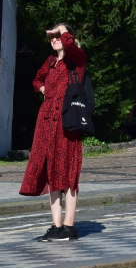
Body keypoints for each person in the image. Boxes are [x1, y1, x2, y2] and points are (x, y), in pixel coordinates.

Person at [21, 24, 88, 243]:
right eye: (52, 38)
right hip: (46, 125)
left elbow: (70, 45)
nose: (55, 40)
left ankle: (69, 226)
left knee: (68, 175)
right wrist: (42, 89)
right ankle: (56, 226)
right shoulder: (50, 62)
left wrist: (61, 29)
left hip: (66, 125)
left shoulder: (76, 60)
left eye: (58, 36)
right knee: (51, 173)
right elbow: (36, 80)